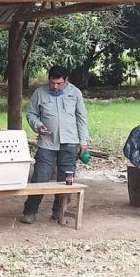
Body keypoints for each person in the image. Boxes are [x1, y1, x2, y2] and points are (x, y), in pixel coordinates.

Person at [21, 65, 89, 224]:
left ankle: (60, 212)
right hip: (47, 143)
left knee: (67, 181)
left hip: (70, 143)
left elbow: (81, 118)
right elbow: (31, 113)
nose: (55, 86)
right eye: (52, 83)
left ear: (66, 80)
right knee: (40, 178)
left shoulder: (75, 93)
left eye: (59, 83)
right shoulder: (39, 93)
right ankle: (30, 211)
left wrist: (83, 141)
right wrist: (37, 125)